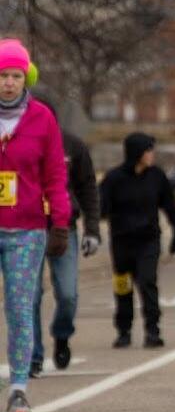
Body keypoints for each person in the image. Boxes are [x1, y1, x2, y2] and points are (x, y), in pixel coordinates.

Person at [0, 39, 70, 412]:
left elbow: (55, 176)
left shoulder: (42, 118)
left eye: (15, 75)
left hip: (26, 230)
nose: (9, 82)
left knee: (20, 307)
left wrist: (59, 222)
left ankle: (19, 390)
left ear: (25, 77)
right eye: (3, 76)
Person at [30, 96, 101, 378]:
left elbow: (88, 189)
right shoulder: (15, 142)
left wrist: (93, 230)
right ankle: (34, 355)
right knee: (30, 296)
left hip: (64, 228)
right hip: (28, 230)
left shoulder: (71, 146)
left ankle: (62, 335)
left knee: (68, 294)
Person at [100, 132, 175, 349]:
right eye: (148, 150)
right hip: (121, 242)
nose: (151, 154)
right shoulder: (114, 178)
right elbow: (101, 207)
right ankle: (123, 330)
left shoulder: (157, 176)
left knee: (147, 282)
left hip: (148, 240)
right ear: (136, 152)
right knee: (123, 286)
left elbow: (169, 206)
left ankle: (153, 330)